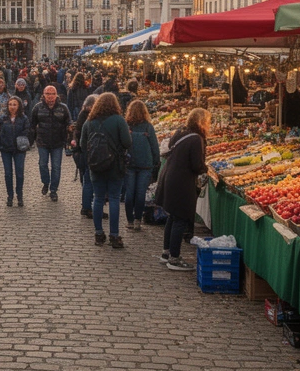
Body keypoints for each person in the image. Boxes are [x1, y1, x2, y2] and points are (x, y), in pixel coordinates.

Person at [157, 108, 209, 270]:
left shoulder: (180, 132)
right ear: (201, 122)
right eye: (207, 122)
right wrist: (205, 168)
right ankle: (175, 258)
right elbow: (196, 164)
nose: (209, 125)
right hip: (181, 182)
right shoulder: (196, 139)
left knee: (173, 217)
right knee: (179, 219)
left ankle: (166, 253)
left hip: (170, 177)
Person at [81, 93, 132, 249]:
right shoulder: (119, 120)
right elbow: (127, 142)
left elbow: (83, 144)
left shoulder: (89, 122)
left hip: (96, 166)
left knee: (98, 198)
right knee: (114, 199)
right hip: (115, 165)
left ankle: (98, 234)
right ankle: (114, 235)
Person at [29, 85, 71, 202]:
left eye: (53, 94)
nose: (50, 97)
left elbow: (69, 122)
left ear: (56, 95)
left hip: (58, 142)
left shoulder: (63, 108)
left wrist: (69, 132)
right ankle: (46, 182)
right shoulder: (38, 108)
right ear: (44, 95)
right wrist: (30, 140)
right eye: (48, 94)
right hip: (42, 141)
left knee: (56, 167)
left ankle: (53, 190)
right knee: (43, 164)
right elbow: (32, 125)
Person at [124, 99, 160, 231]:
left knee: (129, 193)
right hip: (145, 164)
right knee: (140, 193)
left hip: (130, 163)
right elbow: (154, 146)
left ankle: (130, 220)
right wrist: (156, 161)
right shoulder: (148, 126)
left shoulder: (126, 125)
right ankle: (138, 219)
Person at [0, 97, 29, 207]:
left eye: (14, 104)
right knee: (8, 174)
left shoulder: (23, 118)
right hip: (6, 149)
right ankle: (10, 196)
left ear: (19, 106)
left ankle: (19, 195)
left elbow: (28, 131)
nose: (12, 107)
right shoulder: (3, 118)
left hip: (19, 149)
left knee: (19, 174)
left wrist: (22, 140)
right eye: (10, 104)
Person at [72, 94, 99, 218]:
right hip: (90, 153)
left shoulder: (83, 116)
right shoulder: (89, 118)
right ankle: (89, 207)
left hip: (84, 152)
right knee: (89, 180)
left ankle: (87, 206)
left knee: (87, 180)